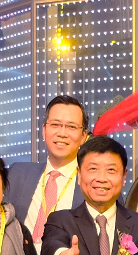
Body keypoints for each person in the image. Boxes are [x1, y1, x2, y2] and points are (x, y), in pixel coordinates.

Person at [5, 96, 89, 246]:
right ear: (44, 130)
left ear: (84, 136)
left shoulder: (94, 183)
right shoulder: (17, 173)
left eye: (71, 127)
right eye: (55, 124)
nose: (62, 133)